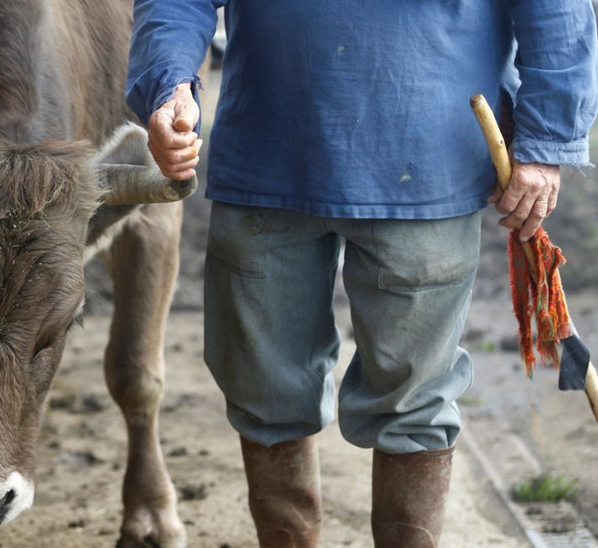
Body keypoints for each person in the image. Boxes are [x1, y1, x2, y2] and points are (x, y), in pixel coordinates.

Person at [125, 2, 598, 546]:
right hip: (267, 156)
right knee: (264, 394)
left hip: (428, 160)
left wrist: (546, 140)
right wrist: (169, 83)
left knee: (414, 404)